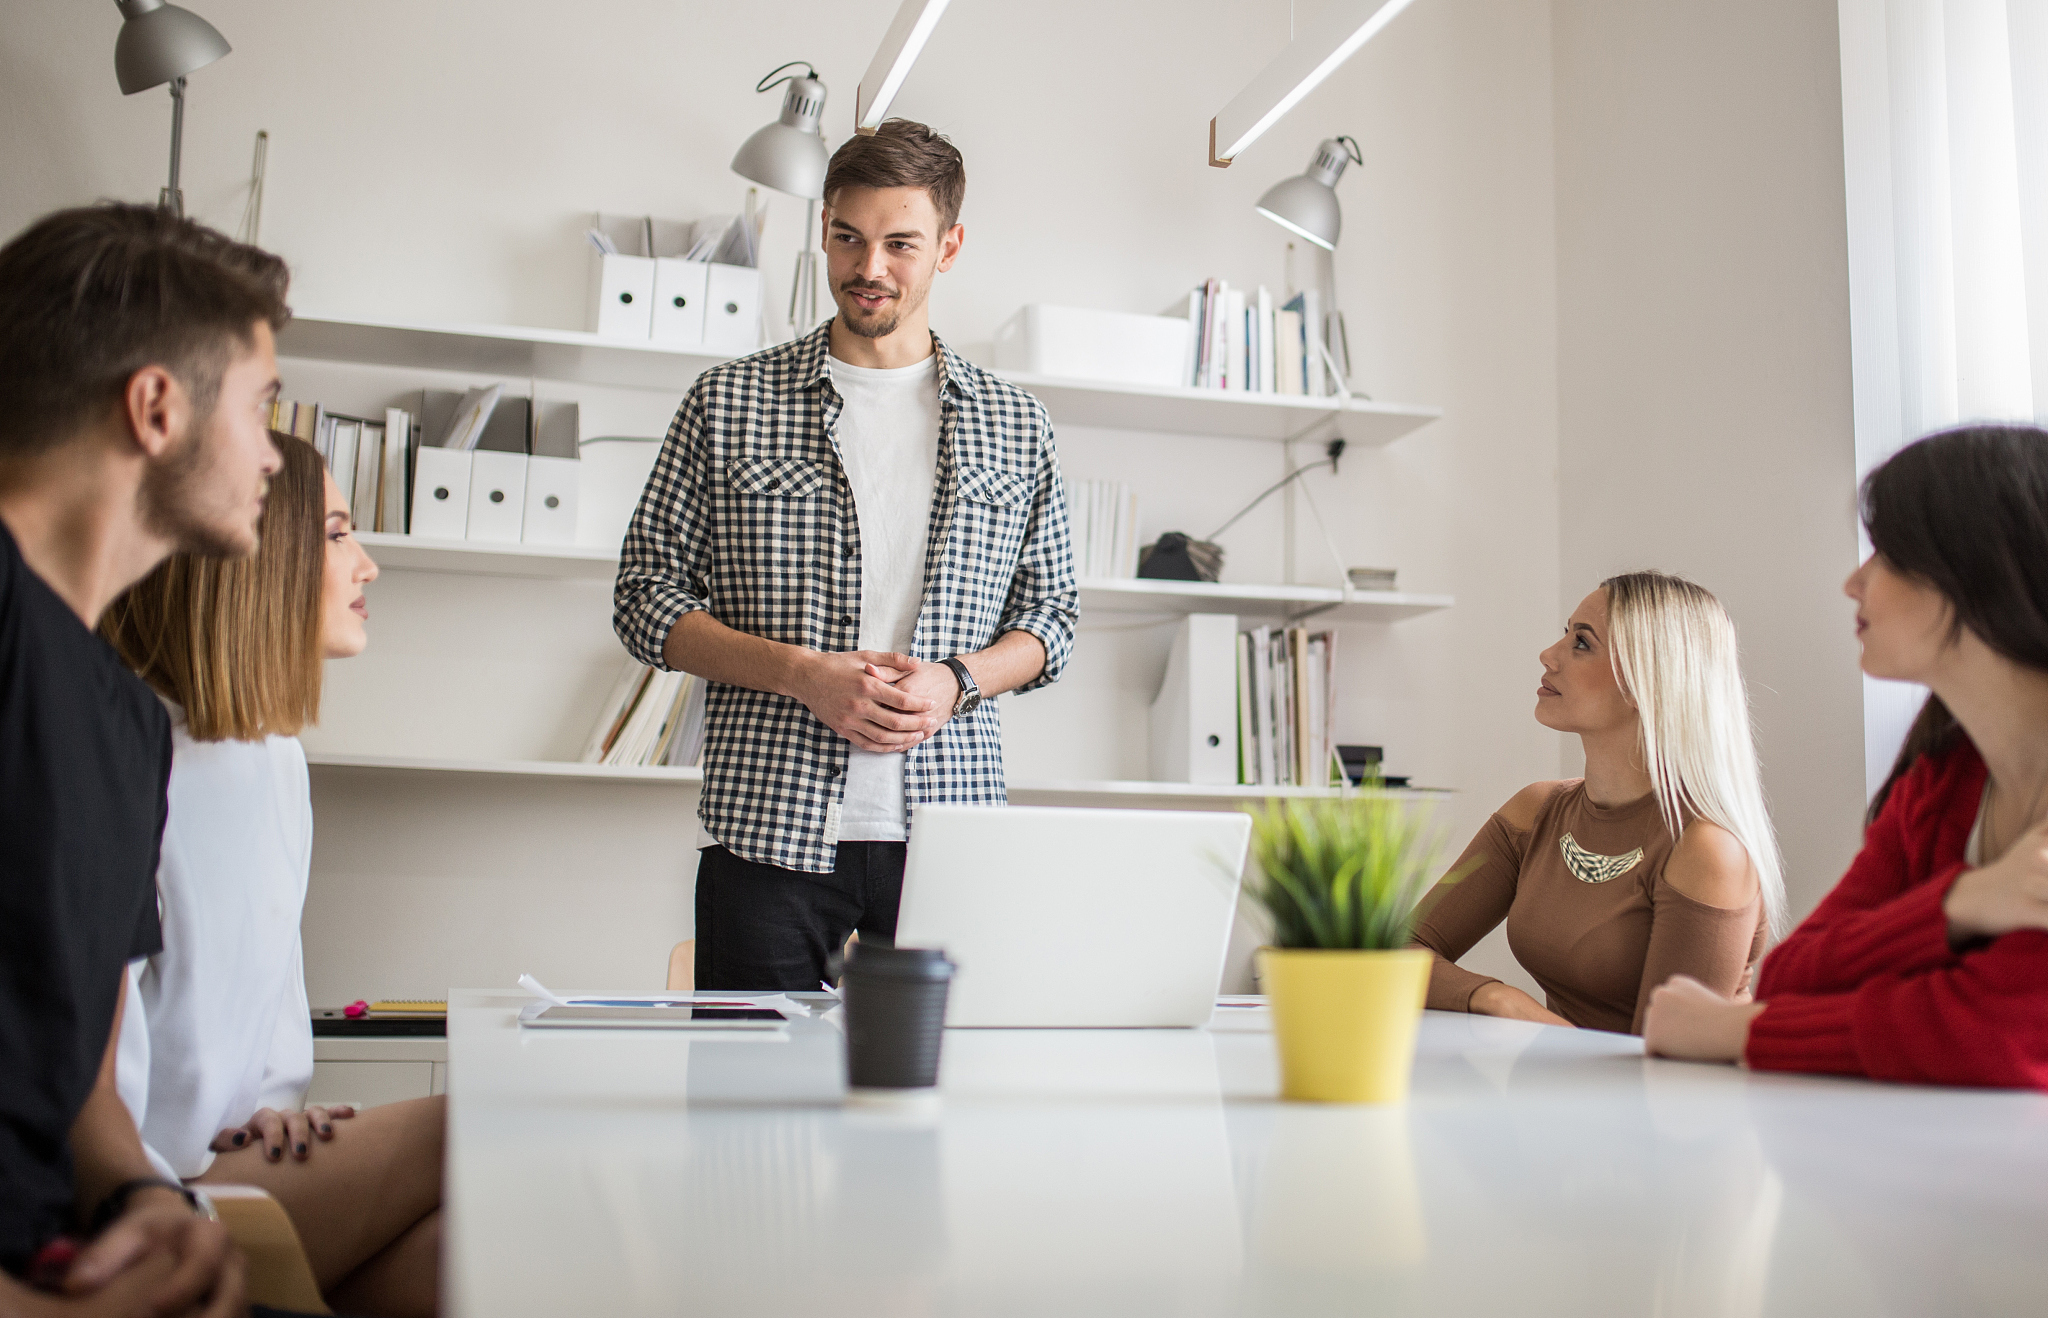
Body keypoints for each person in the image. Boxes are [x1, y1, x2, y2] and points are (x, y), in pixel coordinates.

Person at [614, 119, 1078, 992]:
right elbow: (644, 600)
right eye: (847, 238)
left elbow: (1051, 621)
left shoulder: (1019, 425)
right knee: (748, 1114)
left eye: (901, 243)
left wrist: (957, 680)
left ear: (950, 246)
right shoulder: (729, 401)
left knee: (946, 1110)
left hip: (950, 831)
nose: (870, 268)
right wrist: (801, 673)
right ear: (822, 228)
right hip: (768, 829)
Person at [0, 203, 286, 1315]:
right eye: (261, 406)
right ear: (157, 405)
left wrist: (149, 1206)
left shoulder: (125, 725)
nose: (273, 451)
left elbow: (80, 1092)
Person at [102, 435, 444, 1316]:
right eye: (335, 535)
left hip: (238, 1158)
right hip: (152, 1200)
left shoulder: (274, 760)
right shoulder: (129, 767)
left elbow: (260, 1015)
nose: (366, 566)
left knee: (465, 1253)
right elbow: (99, 1098)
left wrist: (273, 1104)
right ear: (252, 560)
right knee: (487, 1130)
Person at [1646, 425, 2048, 1087]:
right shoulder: (1940, 782)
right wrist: (1961, 903)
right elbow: (1793, 972)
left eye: (1887, 554)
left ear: (1980, 570)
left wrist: (1737, 1030)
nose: (1853, 583)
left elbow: (1998, 1034)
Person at [1411, 571, 1786, 1034]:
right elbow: (1395, 952)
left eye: (1582, 643)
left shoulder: (1706, 851)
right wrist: (1497, 998)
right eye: (1566, 633)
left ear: (1648, 680)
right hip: (1564, 1089)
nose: (1548, 655)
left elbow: (1667, 1055)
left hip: (1660, 1103)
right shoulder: (1536, 811)